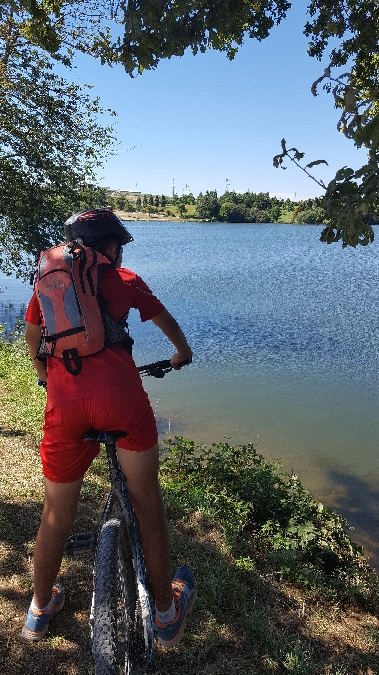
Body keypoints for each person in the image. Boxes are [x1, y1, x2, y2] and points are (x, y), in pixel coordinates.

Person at [22, 208, 196, 646]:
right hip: (122, 403)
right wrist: (181, 353)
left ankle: (39, 610)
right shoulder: (127, 280)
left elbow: (31, 334)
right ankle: (164, 614)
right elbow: (167, 323)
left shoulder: (49, 280)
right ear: (111, 245)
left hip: (65, 406)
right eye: (119, 246)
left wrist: (46, 375)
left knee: (56, 513)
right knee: (147, 504)